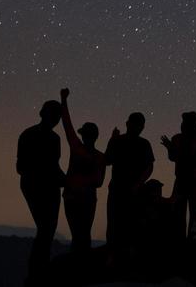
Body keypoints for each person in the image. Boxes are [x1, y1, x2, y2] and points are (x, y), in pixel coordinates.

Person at [17, 96, 66, 285]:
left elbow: (53, 165)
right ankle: (37, 273)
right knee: (47, 229)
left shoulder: (50, 138)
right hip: (38, 186)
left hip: (44, 186)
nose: (56, 119)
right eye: (55, 115)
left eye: (58, 116)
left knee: (47, 229)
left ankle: (38, 272)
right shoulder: (34, 136)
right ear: (44, 114)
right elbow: (24, 166)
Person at [58, 88, 106, 254]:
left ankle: (76, 264)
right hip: (85, 198)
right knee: (83, 233)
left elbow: (67, 125)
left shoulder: (77, 148)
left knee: (78, 234)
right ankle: (82, 264)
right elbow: (99, 182)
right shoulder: (100, 157)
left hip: (73, 196)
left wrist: (64, 100)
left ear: (84, 136)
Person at [104, 111, 154, 250]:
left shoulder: (140, 143)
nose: (139, 128)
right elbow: (107, 160)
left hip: (125, 189)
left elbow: (107, 160)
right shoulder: (140, 143)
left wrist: (138, 184)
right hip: (123, 189)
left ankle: (116, 255)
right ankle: (117, 255)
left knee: (121, 223)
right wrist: (139, 184)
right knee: (119, 223)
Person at [161, 111, 196, 234]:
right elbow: (174, 158)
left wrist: (173, 150)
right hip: (182, 180)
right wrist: (170, 149)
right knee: (179, 213)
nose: (183, 125)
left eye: (185, 122)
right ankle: (181, 242)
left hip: (194, 180)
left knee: (194, 213)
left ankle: (191, 241)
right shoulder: (178, 139)